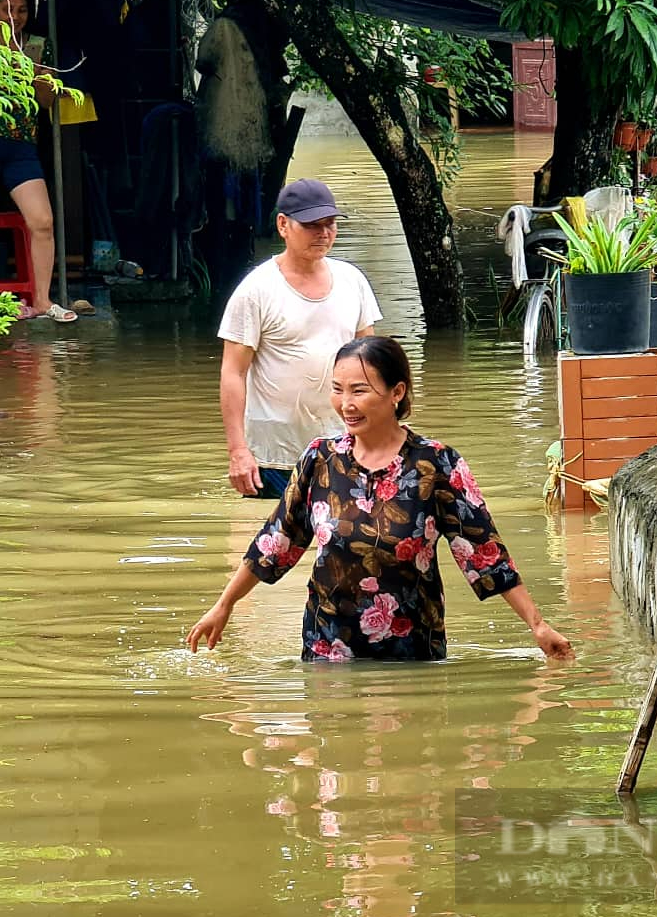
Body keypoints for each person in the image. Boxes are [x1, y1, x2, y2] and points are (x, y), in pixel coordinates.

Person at [188, 336, 574, 663]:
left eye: (359, 390)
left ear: (397, 393)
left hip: (412, 654)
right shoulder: (320, 459)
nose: (346, 404)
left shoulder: (436, 464)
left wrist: (537, 625)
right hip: (328, 650)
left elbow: (484, 551)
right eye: (338, 390)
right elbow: (277, 541)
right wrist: (224, 605)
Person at [218, 178, 379, 500]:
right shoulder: (256, 290)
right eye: (312, 225)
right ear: (283, 225)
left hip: (343, 444)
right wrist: (238, 451)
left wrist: (380, 436)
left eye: (330, 224)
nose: (323, 233)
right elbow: (233, 372)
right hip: (273, 454)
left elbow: (371, 364)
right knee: (270, 543)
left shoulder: (353, 281)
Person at [0, 0, 76, 323]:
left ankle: (42, 301)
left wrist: (37, 76)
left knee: (42, 221)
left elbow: (46, 102)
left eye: (22, 9)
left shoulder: (39, 45)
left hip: (22, 145)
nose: (15, 16)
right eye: (7, 9)